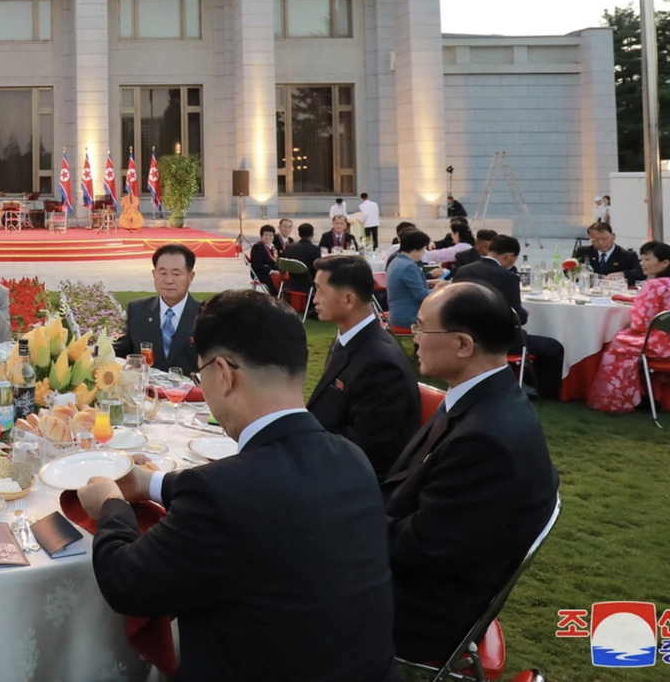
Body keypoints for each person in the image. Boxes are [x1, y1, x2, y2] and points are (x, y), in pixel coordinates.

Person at [76, 289, 399, 682]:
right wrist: (152, 483)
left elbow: (125, 583)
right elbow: (258, 493)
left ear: (224, 374)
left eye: (201, 375)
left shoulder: (223, 494)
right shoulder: (351, 458)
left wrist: (111, 504)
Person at [385, 282, 559, 661]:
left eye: (420, 328)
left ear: (463, 345)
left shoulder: (487, 438)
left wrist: (338, 527)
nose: (414, 339)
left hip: (419, 610)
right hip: (416, 573)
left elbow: (425, 549)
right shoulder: (483, 396)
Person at [307, 255, 419, 479]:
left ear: (348, 300)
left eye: (320, 291)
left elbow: (369, 453)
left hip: (350, 483)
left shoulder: (380, 364)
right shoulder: (349, 340)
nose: (314, 300)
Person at [587, 242, 670, 413]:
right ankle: (662, 396)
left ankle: (617, 401)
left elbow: (641, 324)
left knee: (619, 343)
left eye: (647, 259)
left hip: (669, 349)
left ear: (664, 263)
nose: (642, 263)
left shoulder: (655, 285)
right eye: (642, 259)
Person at [453, 235, 566, 400]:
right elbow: (517, 318)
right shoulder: (507, 277)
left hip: (466, 335)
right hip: (499, 341)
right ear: (509, 256)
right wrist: (524, 314)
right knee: (553, 347)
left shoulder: (464, 271)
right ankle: (545, 391)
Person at [114, 244, 202, 375]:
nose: (168, 280)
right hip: (147, 392)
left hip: (189, 393)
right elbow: (122, 350)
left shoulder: (206, 315)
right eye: (162, 273)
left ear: (190, 277)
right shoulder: (137, 310)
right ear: (154, 274)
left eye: (176, 274)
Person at [387, 230, 442, 330]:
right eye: (424, 249)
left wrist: (432, 282)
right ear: (416, 249)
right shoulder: (408, 267)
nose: (424, 252)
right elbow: (421, 295)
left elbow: (406, 285)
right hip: (409, 319)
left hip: (397, 315)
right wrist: (440, 290)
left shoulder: (396, 261)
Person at [573, 221, 643, 287]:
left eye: (604, 238)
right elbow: (568, 267)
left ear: (613, 236)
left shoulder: (627, 255)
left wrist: (623, 274)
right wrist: (577, 275)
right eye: (595, 240)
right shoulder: (583, 251)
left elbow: (640, 272)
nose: (601, 242)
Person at [282, 222, 322, 295]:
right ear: (312, 235)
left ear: (299, 234)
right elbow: (317, 268)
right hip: (308, 284)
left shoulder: (289, 247)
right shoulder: (315, 249)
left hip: (291, 282)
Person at [249, 224, 278, 288]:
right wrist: (272, 271)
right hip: (260, 273)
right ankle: (275, 296)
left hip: (272, 270)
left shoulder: (273, 247)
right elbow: (257, 265)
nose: (268, 237)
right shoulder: (257, 247)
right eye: (266, 235)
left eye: (270, 235)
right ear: (261, 236)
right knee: (277, 279)